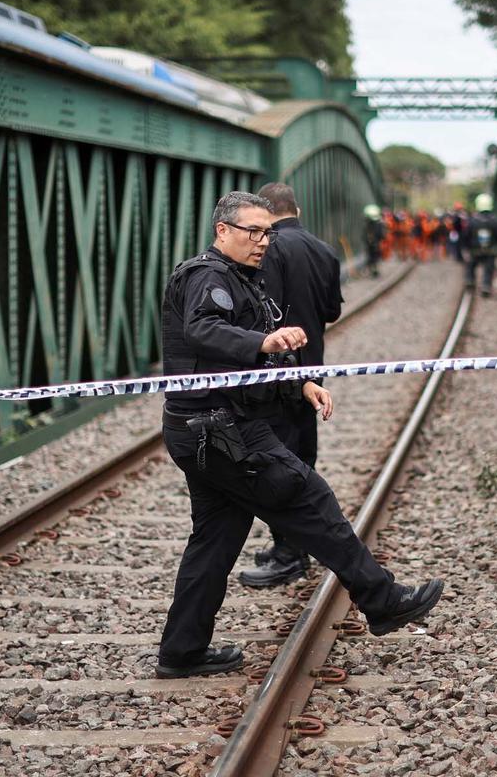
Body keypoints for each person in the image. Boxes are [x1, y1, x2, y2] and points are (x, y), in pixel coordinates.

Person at [156, 191, 443, 678]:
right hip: (223, 431)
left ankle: (182, 652)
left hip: (205, 431)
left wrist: (300, 380)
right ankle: (382, 598)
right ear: (222, 231)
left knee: (214, 542)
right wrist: (262, 340)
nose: (262, 241)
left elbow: (250, 356)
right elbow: (203, 330)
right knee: (308, 496)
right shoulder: (209, 277)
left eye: (267, 232)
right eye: (252, 232)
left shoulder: (241, 279)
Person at [238, 181, 343, 587]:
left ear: (267, 212)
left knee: (278, 463)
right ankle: (293, 544)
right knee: (301, 458)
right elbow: (331, 311)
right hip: (311, 371)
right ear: (297, 208)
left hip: (277, 374)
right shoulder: (324, 250)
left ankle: (289, 554)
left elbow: (258, 312)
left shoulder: (268, 249)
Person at [464, 193, 497, 297]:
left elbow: (466, 235)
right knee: (488, 268)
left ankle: (470, 280)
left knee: (471, 265)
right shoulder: (494, 220)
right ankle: (486, 285)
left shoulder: (472, 220)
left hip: (474, 250)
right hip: (490, 251)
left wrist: (467, 247)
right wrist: (495, 245)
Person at [363, 204, 385, 278]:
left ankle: (373, 271)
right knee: (374, 257)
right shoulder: (378, 225)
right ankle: (374, 271)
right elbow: (382, 235)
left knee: (372, 257)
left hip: (373, 244)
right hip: (374, 244)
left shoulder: (368, 225)